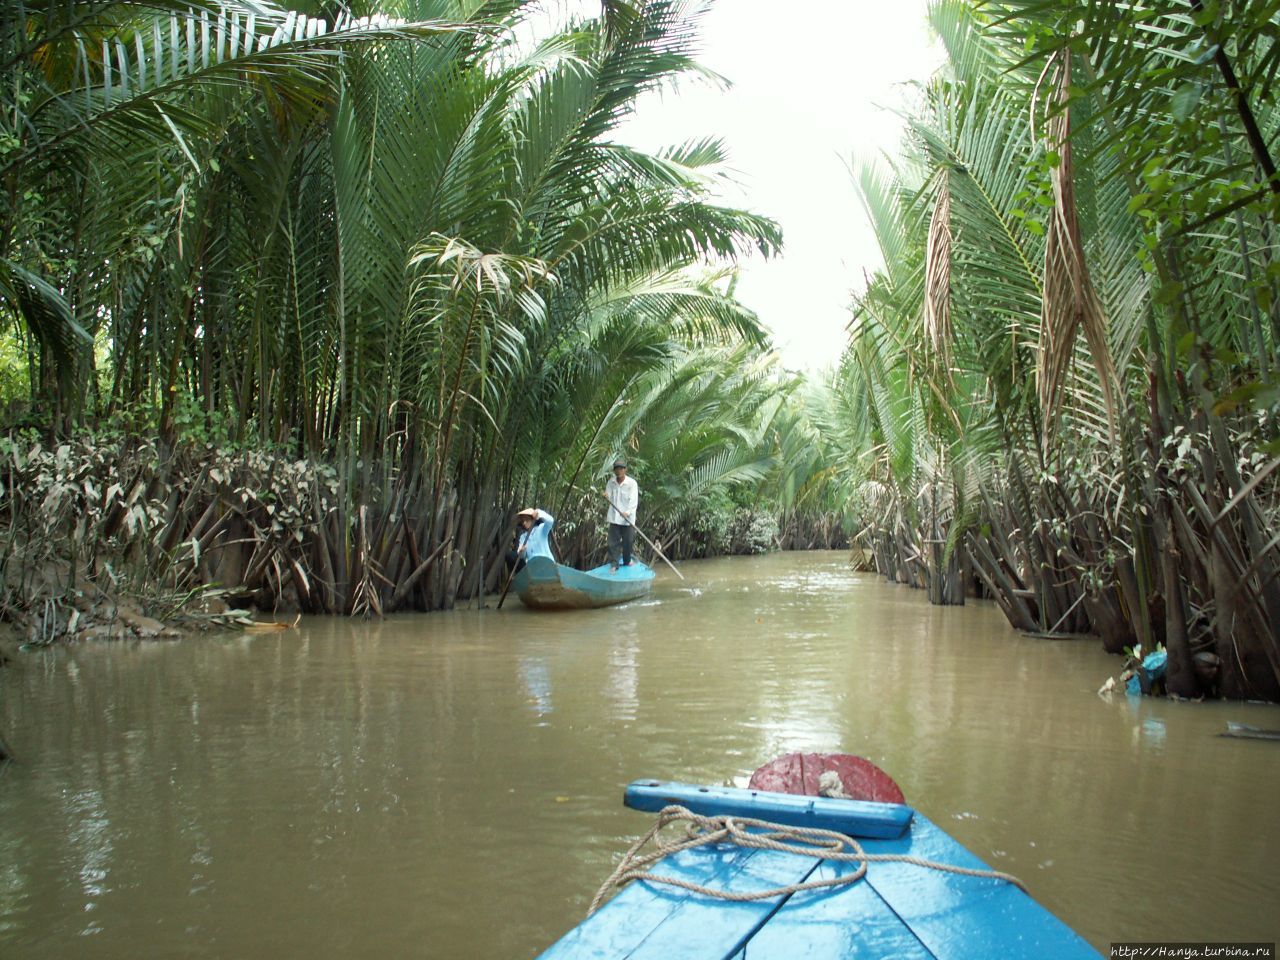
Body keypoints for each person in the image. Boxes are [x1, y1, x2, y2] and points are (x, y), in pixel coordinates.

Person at [604, 459, 638, 572]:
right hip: (614, 518)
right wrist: (606, 496)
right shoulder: (611, 482)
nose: (618, 471)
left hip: (627, 519)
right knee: (612, 542)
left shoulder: (632, 483)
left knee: (627, 542)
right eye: (616, 469)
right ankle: (614, 564)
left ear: (625, 470)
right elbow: (608, 494)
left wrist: (627, 512)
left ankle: (627, 560)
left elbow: (633, 501)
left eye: (621, 468)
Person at [506, 507, 555, 573]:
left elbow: (550, 521)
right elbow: (523, 556)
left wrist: (539, 512)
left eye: (527, 520)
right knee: (510, 556)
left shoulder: (541, 529)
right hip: (533, 568)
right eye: (523, 521)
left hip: (547, 563)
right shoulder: (523, 537)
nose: (524, 523)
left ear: (532, 519)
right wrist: (522, 551)